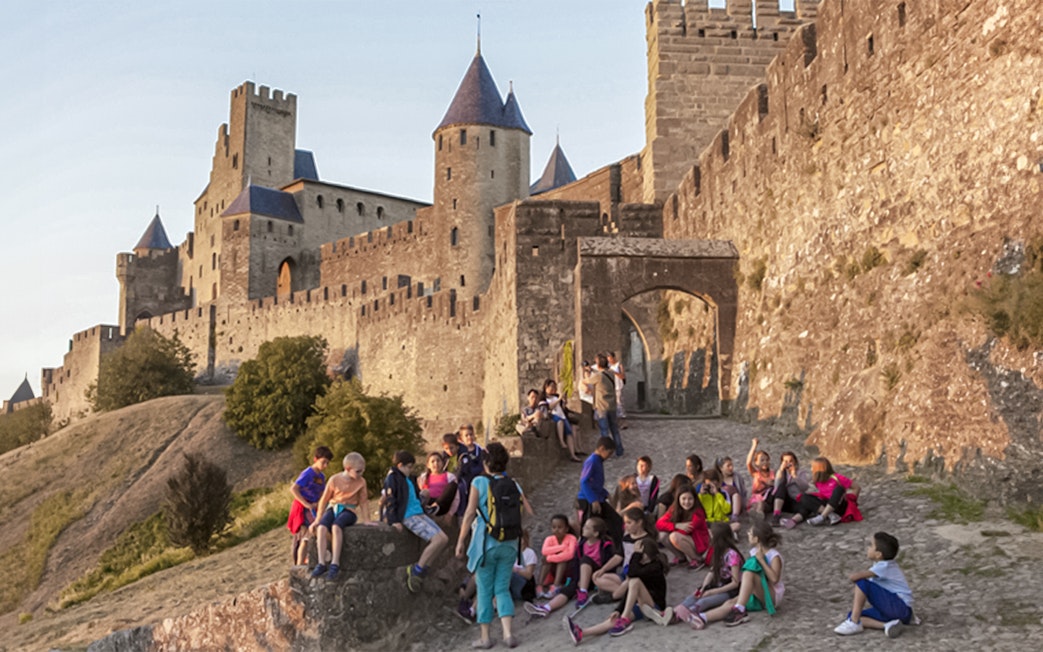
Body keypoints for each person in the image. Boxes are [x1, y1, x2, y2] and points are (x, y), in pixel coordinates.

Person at [455, 441, 534, 649]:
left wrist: (461, 540)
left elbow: (470, 512)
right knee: (502, 588)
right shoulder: (514, 483)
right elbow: (528, 511)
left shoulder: (479, 482)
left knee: (484, 589)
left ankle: (485, 638)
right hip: (509, 543)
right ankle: (508, 634)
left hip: (485, 544)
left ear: (486, 462)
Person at [564, 507, 671, 643]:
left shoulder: (654, 567)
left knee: (634, 581)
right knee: (614, 619)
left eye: (641, 556)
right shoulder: (640, 563)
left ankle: (624, 615)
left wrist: (636, 555)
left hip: (654, 605)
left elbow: (632, 574)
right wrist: (618, 609)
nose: (639, 559)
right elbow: (631, 589)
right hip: (641, 604)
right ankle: (582, 633)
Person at [382, 450, 449, 593]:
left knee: (444, 539)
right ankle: (416, 570)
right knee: (437, 540)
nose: (411, 470)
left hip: (418, 513)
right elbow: (391, 499)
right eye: (409, 466)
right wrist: (394, 520)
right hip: (408, 515)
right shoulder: (393, 478)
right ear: (400, 465)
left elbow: (414, 497)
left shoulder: (409, 478)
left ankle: (425, 567)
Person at [696, 521, 784, 628]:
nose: (747, 534)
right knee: (731, 602)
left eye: (750, 533)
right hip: (758, 591)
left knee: (748, 573)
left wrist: (762, 561)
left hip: (771, 595)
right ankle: (703, 617)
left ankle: (740, 610)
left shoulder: (774, 556)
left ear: (756, 539)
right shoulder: (754, 551)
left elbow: (774, 579)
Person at [834, 532, 915, 638]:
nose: (868, 548)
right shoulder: (883, 565)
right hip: (899, 613)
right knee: (855, 614)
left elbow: (855, 578)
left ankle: (853, 623)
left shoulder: (884, 566)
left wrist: (851, 575)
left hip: (899, 607)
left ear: (878, 554)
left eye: (871, 545)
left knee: (862, 583)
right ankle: (887, 625)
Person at [673, 522, 745, 628]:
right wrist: (704, 587)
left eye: (711, 534)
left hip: (730, 590)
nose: (709, 536)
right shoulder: (718, 552)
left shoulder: (732, 555)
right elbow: (712, 571)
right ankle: (676, 612)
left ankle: (691, 614)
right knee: (696, 594)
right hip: (718, 584)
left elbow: (735, 582)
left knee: (705, 601)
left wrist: (712, 591)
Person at [310, 452, 369, 580]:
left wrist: (367, 520)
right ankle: (321, 563)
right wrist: (317, 519)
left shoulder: (361, 482)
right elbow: (324, 500)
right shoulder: (334, 479)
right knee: (321, 528)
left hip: (349, 510)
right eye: (358, 471)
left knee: (336, 527)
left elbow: (364, 501)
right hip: (334, 507)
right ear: (348, 469)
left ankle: (335, 563)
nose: (361, 474)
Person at [782, 457, 862, 528]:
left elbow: (856, 488)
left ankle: (823, 516)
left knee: (839, 489)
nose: (811, 469)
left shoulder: (837, 477)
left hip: (838, 505)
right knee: (804, 497)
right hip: (827, 504)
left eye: (812, 467)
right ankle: (830, 515)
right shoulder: (818, 481)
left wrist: (852, 500)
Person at [287, 445, 332, 566]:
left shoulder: (321, 477)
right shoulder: (308, 473)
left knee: (314, 535)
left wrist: (321, 503)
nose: (325, 466)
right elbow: (294, 489)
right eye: (323, 462)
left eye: (327, 463)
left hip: (315, 508)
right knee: (305, 538)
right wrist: (306, 504)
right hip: (303, 509)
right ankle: (299, 565)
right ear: (315, 459)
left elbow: (322, 493)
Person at [577, 436, 622, 545]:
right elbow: (584, 482)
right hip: (588, 500)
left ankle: (616, 548)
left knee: (615, 521)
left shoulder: (598, 461)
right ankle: (582, 550)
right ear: (602, 448)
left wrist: (606, 494)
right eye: (609, 453)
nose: (609, 457)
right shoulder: (592, 461)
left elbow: (596, 484)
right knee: (590, 528)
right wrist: (593, 500)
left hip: (598, 498)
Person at [656, 485, 709, 568]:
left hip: (698, 542)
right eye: (683, 499)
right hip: (685, 538)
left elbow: (687, 530)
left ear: (695, 499)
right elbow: (659, 524)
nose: (687, 502)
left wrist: (672, 527)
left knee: (674, 536)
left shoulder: (698, 512)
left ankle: (697, 559)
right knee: (662, 535)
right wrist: (676, 525)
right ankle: (681, 558)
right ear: (678, 499)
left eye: (690, 499)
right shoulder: (674, 509)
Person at [581, 354, 623, 456]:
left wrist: (585, 373)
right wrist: (592, 370)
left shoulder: (598, 377)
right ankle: (619, 450)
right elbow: (603, 373)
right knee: (614, 430)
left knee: (604, 431)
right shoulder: (611, 374)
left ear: (598, 364)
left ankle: (606, 452)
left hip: (602, 407)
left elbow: (586, 381)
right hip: (612, 405)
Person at [537, 514, 578, 597]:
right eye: (554, 527)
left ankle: (556, 585)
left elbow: (569, 555)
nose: (556, 530)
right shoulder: (549, 539)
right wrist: (562, 547)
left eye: (560, 527)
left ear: (566, 529)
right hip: (553, 568)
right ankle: (539, 586)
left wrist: (550, 557)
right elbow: (545, 551)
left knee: (561, 561)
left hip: (569, 568)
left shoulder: (571, 538)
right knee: (546, 560)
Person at [544, 379, 582, 462]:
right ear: (546, 387)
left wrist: (563, 401)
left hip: (562, 415)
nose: (554, 389)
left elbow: (562, 407)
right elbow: (549, 407)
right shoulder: (544, 398)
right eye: (552, 387)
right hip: (554, 415)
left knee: (569, 433)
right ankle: (561, 441)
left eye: (555, 387)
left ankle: (573, 454)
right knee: (560, 423)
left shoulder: (556, 396)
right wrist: (558, 399)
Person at [767, 451, 809, 526]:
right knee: (782, 486)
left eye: (791, 461)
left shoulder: (801, 473)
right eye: (785, 461)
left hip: (794, 500)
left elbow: (805, 488)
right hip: (779, 500)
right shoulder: (779, 472)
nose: (788, 463)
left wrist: (795, 476)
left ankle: (793, 521)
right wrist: (781, 470)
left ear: (795, 462)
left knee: (806, 508)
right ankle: (776, 515)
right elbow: (776, 487)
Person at [418, 451, 459, 521]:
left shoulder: (449, 476)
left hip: (441, 506)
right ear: (428, 465)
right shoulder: (423, 477)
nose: (436, 463)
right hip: (428, 503)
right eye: (433, 461)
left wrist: (450, 513)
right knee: (424, 492)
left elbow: (456, 498)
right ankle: (425, 509)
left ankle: (434, 507)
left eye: (438, 461)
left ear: (442, 463)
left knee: (453, 485)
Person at [456, 423, 486, 517]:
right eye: (466, 435)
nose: (469, 437)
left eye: (471, 434)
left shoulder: (479, 451)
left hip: (476, 480)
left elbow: (482, 466)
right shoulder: (459, 451)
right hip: (464, 481)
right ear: (461, 438)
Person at [745, 438, 774, 513]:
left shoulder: (772, 474)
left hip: (767, 501)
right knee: (757, 505)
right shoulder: (756, 473)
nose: (765, 462)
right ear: (756, 463)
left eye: (767, 460)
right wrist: (754, 446)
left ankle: (758, 516)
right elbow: (748, 462)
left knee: (761, 504)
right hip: (756, 500)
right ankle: (757, 516)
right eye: (762, 460)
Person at [715, 456, 746, 522]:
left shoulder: (737, 477)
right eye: (728, 466)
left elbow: (743, 492)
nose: (731, 468)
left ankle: (735, 516)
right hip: (723, 504)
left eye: (731, 465)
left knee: (736, 495)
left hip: (736, 504)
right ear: (721, 468)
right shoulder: (717, 479)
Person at [606, 351, 627, 428]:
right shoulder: (608, 366)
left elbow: (623, 376)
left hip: (618, 387)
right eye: (608, 359)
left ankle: (622, 421)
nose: (610, 360)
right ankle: (613, 421)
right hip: (611, 387)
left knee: (620, 404)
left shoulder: (619, 365)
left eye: (610, 358)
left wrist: (614, 372)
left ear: (613, 358)